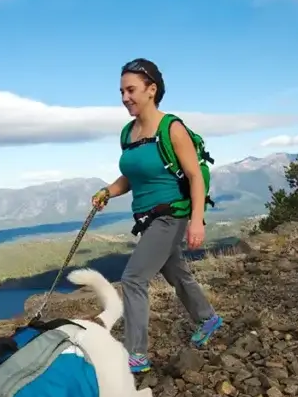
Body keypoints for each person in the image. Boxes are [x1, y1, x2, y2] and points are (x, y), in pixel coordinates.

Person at [91, 58, 223, 373]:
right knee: (176, 272)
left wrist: (196, 221)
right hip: (148, 218)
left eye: (131, 90)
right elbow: (131, 177)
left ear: (152, 90)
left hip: (172, 215)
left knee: (133, 278)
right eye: (121, 91)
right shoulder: (128, 133)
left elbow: (194, 176)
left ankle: (135, 354)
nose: (125, 97)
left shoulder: (171, 128)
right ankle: (208, 318)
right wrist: (107, 191)